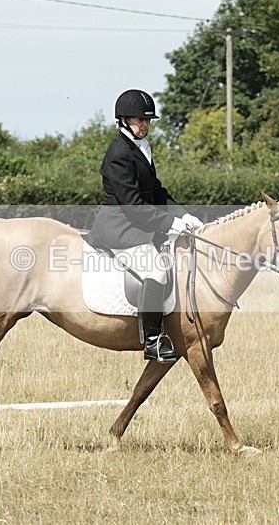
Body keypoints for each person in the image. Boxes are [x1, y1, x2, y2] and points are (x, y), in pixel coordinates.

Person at [84, 89, 202, 363]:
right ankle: (153, 342)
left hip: (138, 223)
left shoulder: (140, 146)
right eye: (139, 120)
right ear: (123, 120)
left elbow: (156, 191)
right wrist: (171, 222)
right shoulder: (119, 154)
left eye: (147, 120)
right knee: (157, 270)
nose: (145, 125)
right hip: (119, 228)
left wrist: (184, 215)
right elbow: (133, 205)